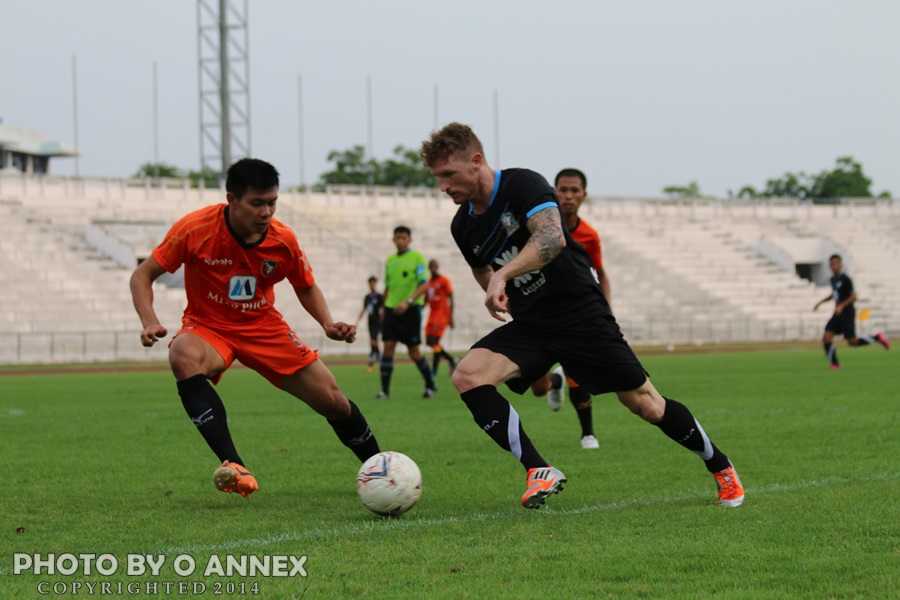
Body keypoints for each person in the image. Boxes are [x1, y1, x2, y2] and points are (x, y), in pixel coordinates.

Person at [420, 122, 744, 509]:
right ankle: (538, 469)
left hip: (579, 313)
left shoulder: (522, 184)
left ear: (476, 161)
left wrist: (503, 275)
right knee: (468, 376)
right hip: (532, 324)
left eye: (448, 174)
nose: (443, 186)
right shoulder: (462, 225)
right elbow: (481, 269)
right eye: (437, 177)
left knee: (646, 404)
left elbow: (551, 239)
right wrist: (495, 289)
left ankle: (721, 466)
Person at [129, 158, 380, 498]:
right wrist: (149, 321)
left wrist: (327, 323)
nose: (266, 212)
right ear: (232, 199)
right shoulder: (195, 229)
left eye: (272, 202)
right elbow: (142, 275)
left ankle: (381, 471)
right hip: (209, 327)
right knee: (182, 354)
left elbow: (305, 285)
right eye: (257, 203)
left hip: (263, 327)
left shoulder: (283, 239)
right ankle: (234, 464)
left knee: (333, 401)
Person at [529, 168, 609, 450]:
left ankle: (588, 434)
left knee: (578, 369)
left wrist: (605, 310)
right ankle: (554, 380)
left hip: (574, 312)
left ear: (583, 195)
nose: (568, 196)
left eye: (574, 190)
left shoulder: (589, 235)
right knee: (538, 389)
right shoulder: (539, 227)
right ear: (554, 193)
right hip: (540, 312)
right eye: (563, 190)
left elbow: (600, 273)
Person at [377, 226, 438, 399]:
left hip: (410, 310)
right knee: (388, 348)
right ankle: (385, 392)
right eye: (397, 238)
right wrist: (383, 309)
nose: (400, 241)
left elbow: (424, 284)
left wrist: (408, 301)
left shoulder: (417, 257)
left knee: (414, 351)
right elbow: (387, 287)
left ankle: (430, 384)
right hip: (391, 310)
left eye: (403, 238)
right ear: (393, 240)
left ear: (409, 240)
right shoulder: (390, 260)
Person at [813, 254, 889, 369]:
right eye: (832, 264)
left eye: (836, 264)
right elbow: (835, 294)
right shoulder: (833, 280)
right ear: (829, 266)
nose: (834, 266)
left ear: (841, 265)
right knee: (826, 337)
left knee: (852, 341)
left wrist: (841, 306)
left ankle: (877, 338)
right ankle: (835, 364)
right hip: (837, 314)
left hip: (847, 313)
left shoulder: (846, 279)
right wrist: (820, 302)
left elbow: (854, 296)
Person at [425, 259, 459, 376]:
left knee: (434, 341)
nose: (433, 268)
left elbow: (451, 297)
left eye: (434, 265)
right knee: (429, 341)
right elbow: (426, 299)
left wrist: (451, 317)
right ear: (429, 268)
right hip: (432, 314)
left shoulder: (444, 280)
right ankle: (451, 359)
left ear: (437, 267)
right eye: (431, 266)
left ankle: (434, 370)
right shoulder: (428, 282)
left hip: (442, 314)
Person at [356, 276, 384, 373]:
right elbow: (364, 309)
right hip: (370, 322)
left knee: (374, 342)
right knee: (373, 343)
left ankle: (372, 364)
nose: (372, 285)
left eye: (373, 283)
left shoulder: (379, 296)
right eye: (370, 283)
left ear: (375, 284)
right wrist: (357, 321)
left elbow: (383, 309)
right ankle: (379, 363)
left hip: (377, 322)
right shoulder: (367, 297)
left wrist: (382, 320)